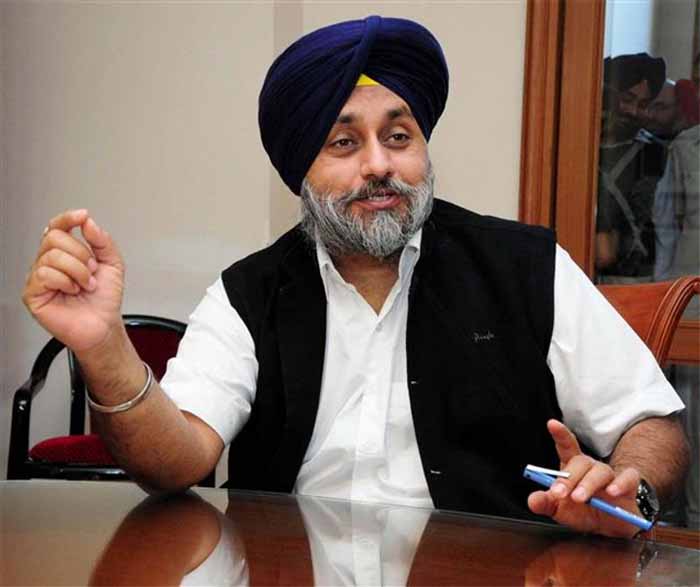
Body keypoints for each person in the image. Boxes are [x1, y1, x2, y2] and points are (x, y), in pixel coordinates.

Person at [23, 16, 688, 539]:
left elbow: (651, 421)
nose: (379, 165)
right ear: (300, 172)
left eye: (399, 137)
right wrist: (105, 348)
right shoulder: (248, 295)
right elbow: (176, 461)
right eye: (344, 143)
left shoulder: (525, 266)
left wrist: (630, 485)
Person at [647, 77, 700, 529]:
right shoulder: (687, 146)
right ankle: (689, 522)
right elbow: (665, 221)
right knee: (688, 410)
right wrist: (666, 292)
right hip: (691, 287)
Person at [596, 53, 667, 283]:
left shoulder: (655, 154)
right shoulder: (582, 147)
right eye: (627, 99)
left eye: (643, 105)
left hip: (636, 279)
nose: (633, 111)